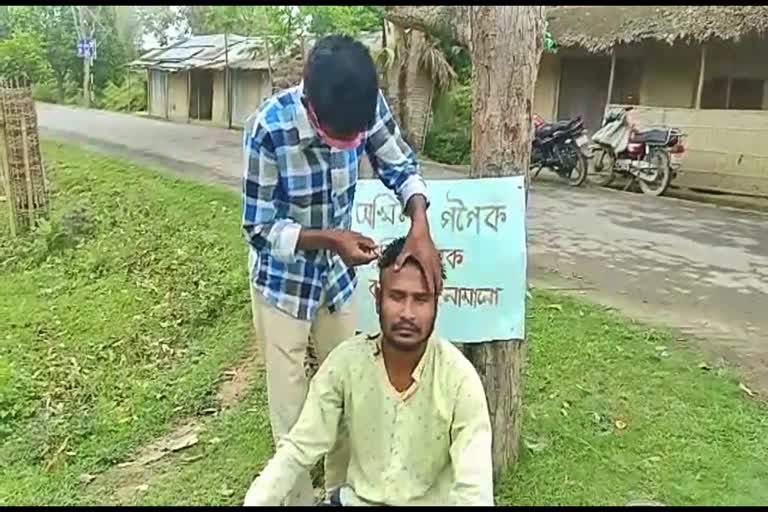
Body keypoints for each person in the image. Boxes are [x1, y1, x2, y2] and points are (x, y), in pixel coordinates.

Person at [241, 35, 442, 506]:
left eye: (358, 136)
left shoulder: (361, 103)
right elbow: (259, 228)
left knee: (351, 393)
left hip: (337, 282)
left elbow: (400, 165)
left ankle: (342, 495)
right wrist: (329, 238)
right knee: (291, 414)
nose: (353, 145)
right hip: (281, 287)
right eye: (342, 138)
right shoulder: (268, 130)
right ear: (311, 107)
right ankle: (297, 499)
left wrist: (420, 220)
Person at [243, 237, 494, 507]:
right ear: (378, 299)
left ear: (436, 302)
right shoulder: (346, 363)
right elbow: (298, 448)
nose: (407, 313)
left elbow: (474, 485)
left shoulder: (458, 379)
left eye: (420, 299)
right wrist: (257, 499)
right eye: (397, 297)